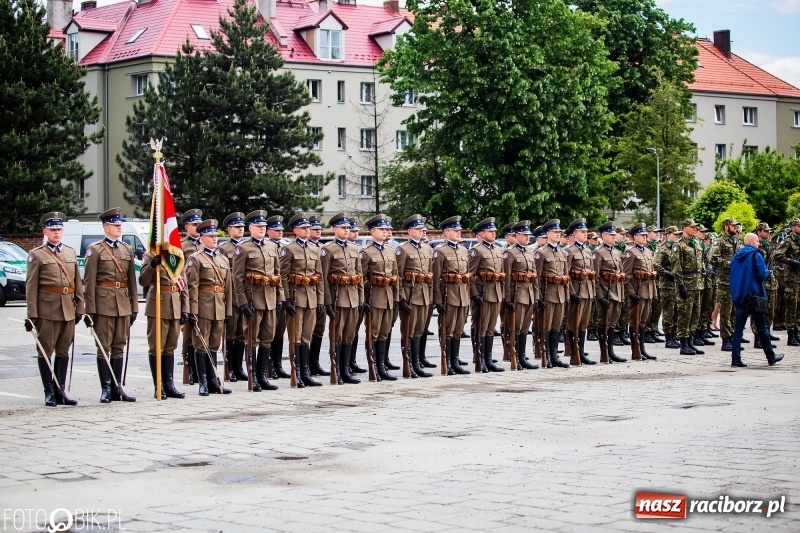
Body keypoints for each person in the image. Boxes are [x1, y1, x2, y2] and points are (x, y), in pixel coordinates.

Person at [25, 213, 85, 406]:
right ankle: (49, 392)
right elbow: (31, 287)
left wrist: (80, 308)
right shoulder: (37, 254)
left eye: (59, 229)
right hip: (47, 309)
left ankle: (60, 391)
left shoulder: (69, 252)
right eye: (52, 230)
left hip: (68, 308)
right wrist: (32, 315)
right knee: (45, 350)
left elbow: (77, 282)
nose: (56, 232)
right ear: (45, 232)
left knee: (63, 351)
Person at [232, 210, 282, 391]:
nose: (262, 229)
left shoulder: (272, 247)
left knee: (267, 338)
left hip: (270, 298)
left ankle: (262, 376)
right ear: (250, 227)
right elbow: (237, 278)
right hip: (253, 300)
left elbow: (278, 275)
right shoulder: (243, 249)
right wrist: (242, 301)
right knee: (252, 339)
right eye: (258, 226)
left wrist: (280, 297)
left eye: (264, 226)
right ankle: (252, 376)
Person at [185, 220, 232, 395]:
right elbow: (192, 287)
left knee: (214, 344)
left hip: (219, 306)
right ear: (202, 238)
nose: (214, 239)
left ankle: (214, 381)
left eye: (215, 236)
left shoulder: (223, 259)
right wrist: (192, 311)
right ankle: (202, 381)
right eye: (210, 236)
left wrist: (228, 310)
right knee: (201, 344)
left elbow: (228, 287)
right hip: (203, 306)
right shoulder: (195, 259)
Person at [279, 213, 324, 387]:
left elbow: (318, 276)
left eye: (308, 227)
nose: (307, 230)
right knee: (295, 337)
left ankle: (305, 372)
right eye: (304, 228)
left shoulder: (314, 249)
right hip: (296, 298)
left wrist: (320, 300)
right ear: (296, 230)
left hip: (311, 298)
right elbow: (282, 276)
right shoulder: (288, 249)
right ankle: (296, 372)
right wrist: (286, 299)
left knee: (306, 336)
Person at [729, 233, 784, 367]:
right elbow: (763, 274)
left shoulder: (736, 255)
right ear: (752, 242)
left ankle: (735, 359)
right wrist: (769, 271)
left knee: (738, 329)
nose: (759, 243)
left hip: (739, 295)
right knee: (762, 328)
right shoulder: (755, 255)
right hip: (754, 296)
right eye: (758, 241)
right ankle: (771, 357)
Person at [321, 213, 364, 384]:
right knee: (337, 335)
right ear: (334, 229)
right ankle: (336, 369)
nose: (347, 230)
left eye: (348, 228)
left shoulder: (355, 249)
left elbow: (359, 275)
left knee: (349, 335)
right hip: (337, 297)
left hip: (352, 297)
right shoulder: (328, 249)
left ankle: (346, 370)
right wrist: (327, 302)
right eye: (343, 228)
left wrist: (361, 298)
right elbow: (323, 278)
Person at [139, 246, 187, 400]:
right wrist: (152, 265)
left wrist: (185, 308)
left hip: (175, 305)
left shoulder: (176, 256)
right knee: (156, 347)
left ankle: (169, 384)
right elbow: (143, 281)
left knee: (170, 347)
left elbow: (183, 284)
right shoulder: (150, 255)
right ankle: (158, 386)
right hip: (158, 305)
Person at [361, 214, 399, 381]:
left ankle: (382, 366)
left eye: (387, 229)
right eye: (382, 229)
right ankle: (373, 366)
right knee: (373, 333)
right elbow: (361, 279)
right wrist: (364, 299)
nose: (385, 232)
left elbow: (396, 276)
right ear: (373, 231)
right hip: (374, 298)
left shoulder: (391, 251)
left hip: (389, 297)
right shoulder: (366, 253)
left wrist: (396, 297)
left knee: (384, 332)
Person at [396, 214, 434, 378]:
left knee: (419, 331)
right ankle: (408, 364)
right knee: (408, 332)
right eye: (418, 229)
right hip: (410, 296)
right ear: (409, 231)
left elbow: (430, 275)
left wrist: (431, 296)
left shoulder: (428, 249)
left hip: (424, 295)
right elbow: (398, 275)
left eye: (422, 229)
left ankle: (417, 363)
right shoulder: (403, 250)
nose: (421, 231)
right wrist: (402, 298)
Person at [432, 216, 471, 375]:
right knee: (447, 330)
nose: (459, 232)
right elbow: (435, 278)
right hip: (448, 296)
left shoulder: (463, 250)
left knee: (458, 330)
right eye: (455, 230)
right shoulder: (440, 251)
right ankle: (446, 362)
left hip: (462, 295)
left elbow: (468, 276)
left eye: (459, 230)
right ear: (446, 233)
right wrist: (438, 300)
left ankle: (455, 361)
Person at [468, 218, 505, 372]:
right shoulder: (477, 251)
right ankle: (479, 358)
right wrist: (475, 294)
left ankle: (488, 359)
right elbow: (470, 275)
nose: (494, 233)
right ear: (482, 234)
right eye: (490, 231)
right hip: (482, 294)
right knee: (480, 327)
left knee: (490, 328)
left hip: (495, 293)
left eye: (494, 231)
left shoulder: (498, 250)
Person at [502, 220, 539, 370]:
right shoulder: (509, 253)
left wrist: (536, 296)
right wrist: (507, 297)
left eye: (528, 235)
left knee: (525, 328)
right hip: (517, 295)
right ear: (517, 235)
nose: (527, 237)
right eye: (524, 235)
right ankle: (514, 356)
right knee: (515, 328)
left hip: (529, 293)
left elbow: (534, 276)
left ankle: (522, 357)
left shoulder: (530, 252)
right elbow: (507, 278)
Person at [535, 219, 570, 368]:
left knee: (556, 326)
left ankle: (555, 355)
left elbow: (566, 276)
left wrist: (567, 296)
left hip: (560, 294)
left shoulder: (562, 252)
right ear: (548, 233)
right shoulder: (541, 253)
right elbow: (536, 277)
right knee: (546, 327)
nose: (558, 234)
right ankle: (546, 355)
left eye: (559, 232)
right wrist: (538, 297)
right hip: (547, 295)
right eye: (555, 232)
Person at [218, 212, 248, 381]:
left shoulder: (246, 247)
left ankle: (238, 367)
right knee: (230, 333)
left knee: (241, 334)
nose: (240, 230)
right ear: (229, 230)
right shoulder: (224, 249)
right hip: (230, 297)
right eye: (237, 227)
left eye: (242, 227)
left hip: (244, 295)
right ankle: (229, 368)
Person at [621, 223, 657, 361]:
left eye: (645, 235)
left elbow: (651, 275)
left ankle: (642, 349)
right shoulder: (631, 253)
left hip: (647, 292)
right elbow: (626, 276)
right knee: (635, 322)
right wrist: (631, 293)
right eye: (642, 235)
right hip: (637, 292)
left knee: (643, 322)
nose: (644, 237)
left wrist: (654, 293)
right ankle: (635, 349)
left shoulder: (648, 252)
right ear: (635, 237)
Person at [563, 218, 596, 365]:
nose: (585, 234)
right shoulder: (569, 251)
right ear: (575, 234)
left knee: (583, 323)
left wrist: (593, 292)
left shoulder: (588, 251)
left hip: (587, 291)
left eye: (586, 232)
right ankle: (573, 352)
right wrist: (571, 293)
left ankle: (581, 352)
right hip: (576, 292)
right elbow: (566, 274)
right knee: (573, 323)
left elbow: (591, 274)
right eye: (582, 232)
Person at [593, 221, 626, 363]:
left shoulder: (616, 252)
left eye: (614, 235)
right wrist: (600, 297)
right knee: (603, 323)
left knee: (613, 323)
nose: (614, 237)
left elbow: (621, 275)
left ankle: (610, 350)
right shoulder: (598, 253)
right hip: (606, 293)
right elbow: (595, 277)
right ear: (604, 235)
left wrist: (622, 295)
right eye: (611, 235)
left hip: (617, 292)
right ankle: (604, 352)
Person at [674, 218, 705, 355]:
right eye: (692, 227)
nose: (695, 229)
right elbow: (677, 267)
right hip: (686, 282)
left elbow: (701, 263)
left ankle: (691, 342)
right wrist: (680, 285)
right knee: (684, 315)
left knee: (695, 314)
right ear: (685, 227)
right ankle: (684, 344)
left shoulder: (696, 243)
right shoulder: (679, 245)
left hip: (697, 283)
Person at [180, 208, 203, 384]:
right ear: (187, 226)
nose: (197, 227)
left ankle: (200, 370)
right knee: (188, 335)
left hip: (205, 296)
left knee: (202, 335)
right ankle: (191, 370)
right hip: (188, 293)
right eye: (194, 224)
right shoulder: (181, 246)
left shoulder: (206, 246)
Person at [773, 218, 800, 346]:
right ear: (793, 227)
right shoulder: (788, 240)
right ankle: (791, 335)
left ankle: (797, 332)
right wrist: (792, 262)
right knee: (792, 307)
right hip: (792, 278)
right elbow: (777, 255)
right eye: (799, 226)